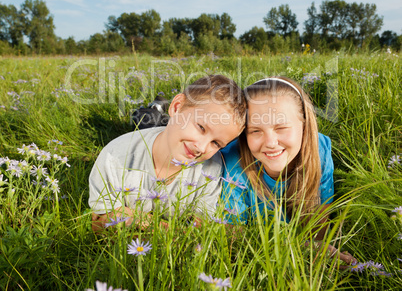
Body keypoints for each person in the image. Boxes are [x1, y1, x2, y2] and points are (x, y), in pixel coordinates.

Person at [221, 77, 355, 264]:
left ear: (305, 126)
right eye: (255, 131)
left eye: (281, 127)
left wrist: (317, 251)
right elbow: (231, 233)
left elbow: (318, 229)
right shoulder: (233, 161)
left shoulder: (319, 150)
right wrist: (298, 248)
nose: (270, 142)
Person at [89, 75, 246, 231]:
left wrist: (138, 219)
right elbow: (99, 224)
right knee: (145, 120)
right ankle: (154, 108)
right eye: (201, 127)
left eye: (216, 143)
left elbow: (201, 228)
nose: (201, 147)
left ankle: (158, 110)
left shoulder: (210, 169)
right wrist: (161, 228)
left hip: (169, 134)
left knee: (164, 127)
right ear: (177, 106)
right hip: (152, 135)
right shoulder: (115, 157)